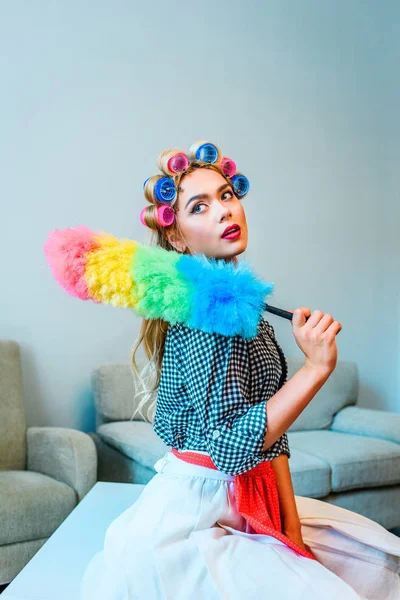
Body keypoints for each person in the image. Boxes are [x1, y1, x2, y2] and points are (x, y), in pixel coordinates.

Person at [44, 141, 400, 599]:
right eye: (200, 206)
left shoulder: (245, 313)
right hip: (201, 508)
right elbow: (231, 448)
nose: (224, 212)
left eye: (227, 195)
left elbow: (271, 441)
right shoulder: (203, 322)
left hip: (256, 491)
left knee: (376, 559)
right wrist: (315, 369)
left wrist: (290, 525)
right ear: (177, 238)